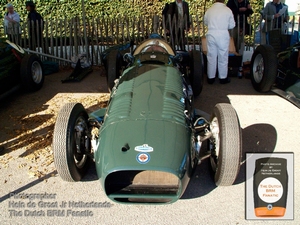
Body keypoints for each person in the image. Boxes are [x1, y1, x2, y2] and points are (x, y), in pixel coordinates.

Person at [204, 0, 235, 84]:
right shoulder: (228, 10)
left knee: (211, 56)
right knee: (223, 56)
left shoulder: (209, 10)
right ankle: (223, 78)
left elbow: (205, 22)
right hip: (223, 34)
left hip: (211, 33)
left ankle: (211, 78)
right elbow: (232, 25)